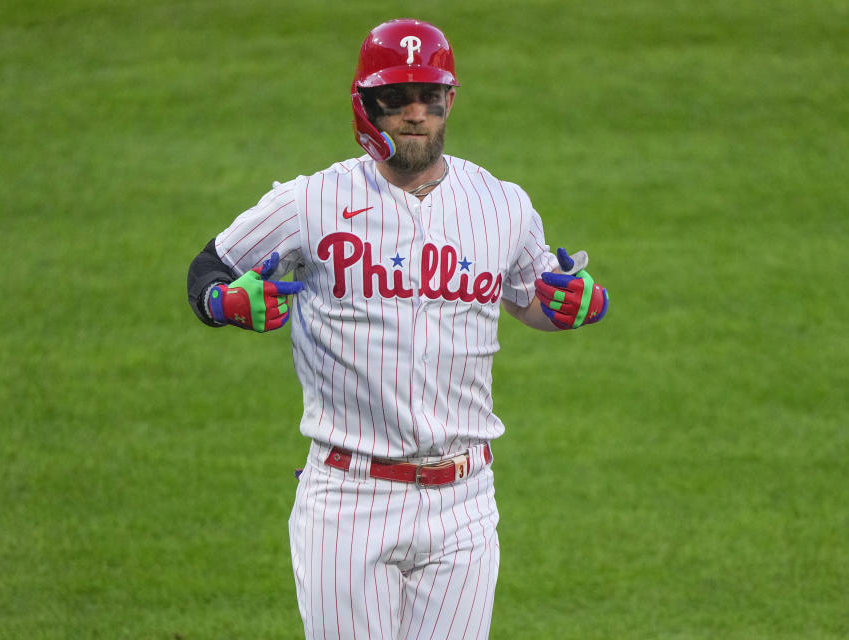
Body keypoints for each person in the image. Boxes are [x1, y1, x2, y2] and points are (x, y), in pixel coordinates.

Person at [186, 18, 608, 639]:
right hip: (349, 499)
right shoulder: (310, 202)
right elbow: (208, 269)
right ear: (366, 105)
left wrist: (574, 304)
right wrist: (225, 303)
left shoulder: (502, 204)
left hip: (464, 500)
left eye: (429, 96)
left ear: (450, 100)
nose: (415, 113)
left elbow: (536, 299)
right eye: (396, 98)